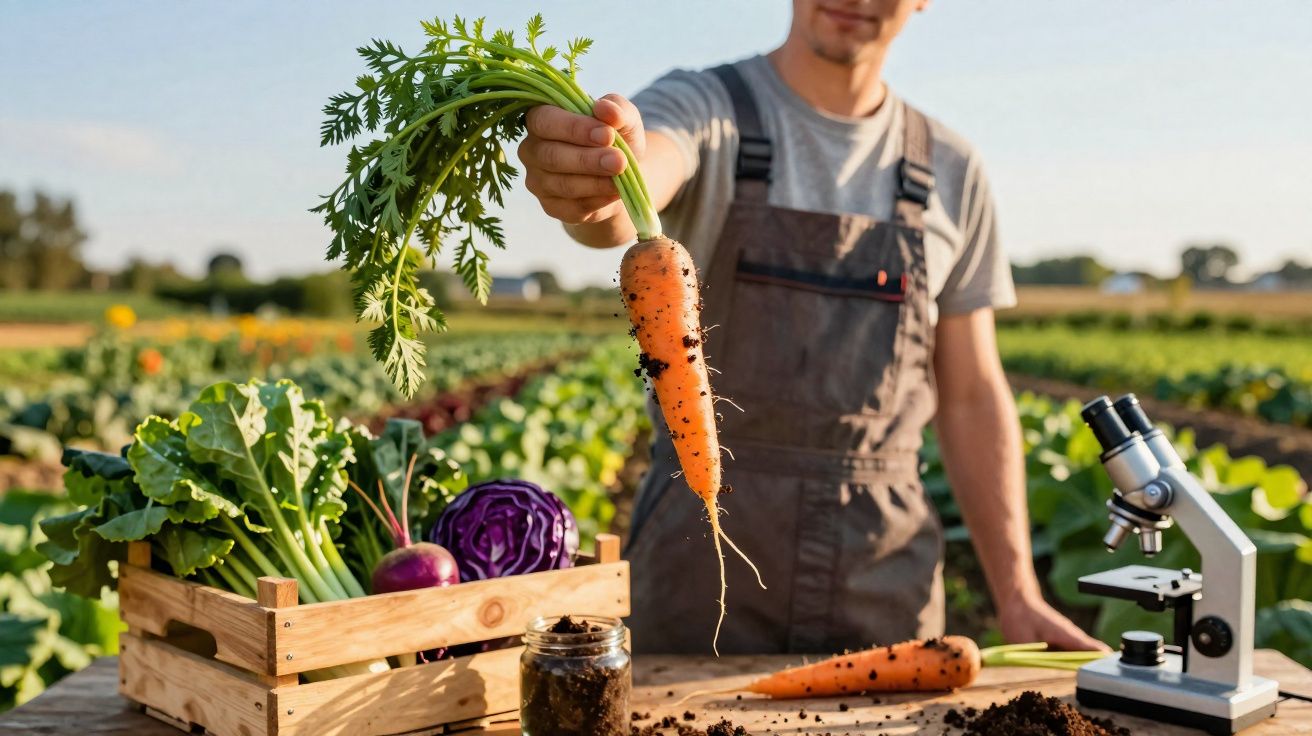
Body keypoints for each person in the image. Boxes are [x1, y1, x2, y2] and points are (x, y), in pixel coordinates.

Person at [517, 0, 1106, 654]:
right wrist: (599, 181)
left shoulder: (951, 168)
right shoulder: (707, 108)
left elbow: (971, 394)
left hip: (885, 581)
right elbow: (635, 184)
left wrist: (1018, 592)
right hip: (701, 569)